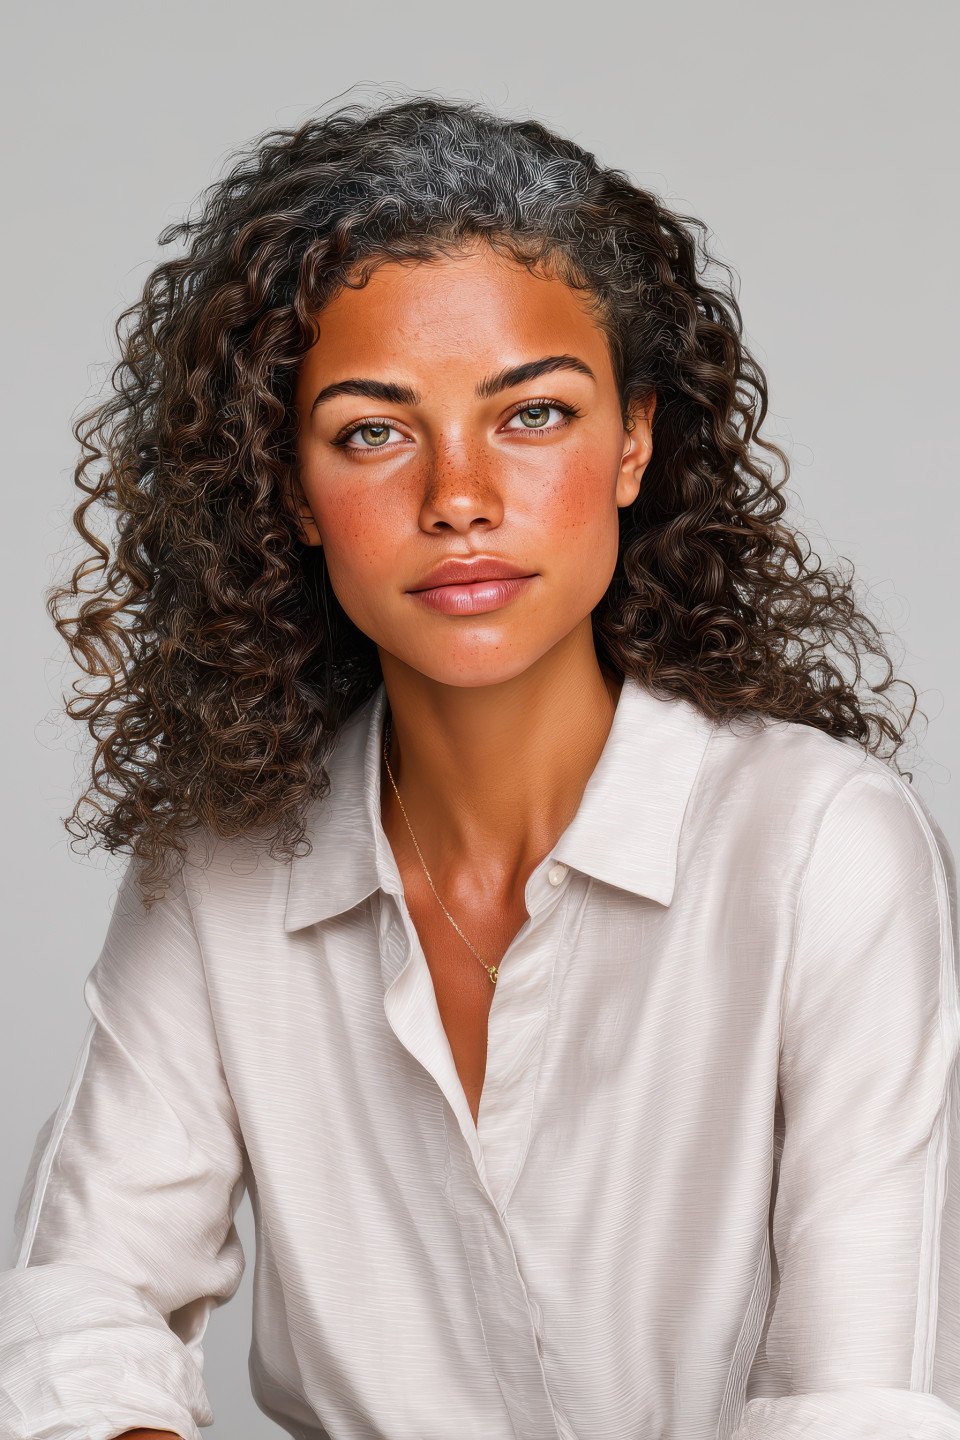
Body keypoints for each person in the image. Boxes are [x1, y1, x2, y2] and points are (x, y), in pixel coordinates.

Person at [1, 92, 957, 1440]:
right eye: (372, 431)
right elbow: (80, 1301)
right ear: (288, 485)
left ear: (635, 442)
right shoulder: (218, 867)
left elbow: (857, 1406)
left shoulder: (821, 848)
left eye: (532, 415)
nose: (458, 495)